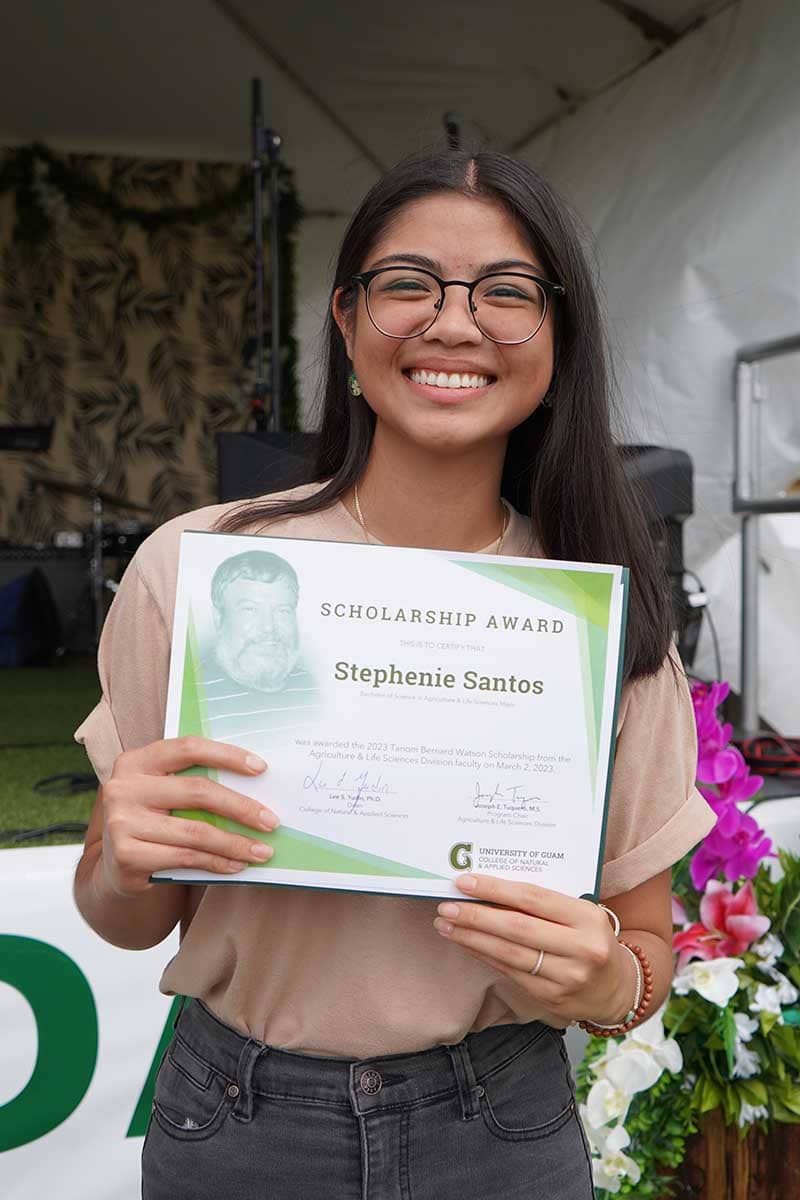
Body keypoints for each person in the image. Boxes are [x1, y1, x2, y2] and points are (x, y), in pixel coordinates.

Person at [73, 149, 716, 1200]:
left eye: (506, 294)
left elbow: (642, 954)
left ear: (558, 334)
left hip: (498, 1131)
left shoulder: (601, 618)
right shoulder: (196, 569)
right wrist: (119, 861)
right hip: (239, 1125)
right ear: (343, 315)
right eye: (406, 285)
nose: (452, 325)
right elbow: (128, 916)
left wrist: (605, 976)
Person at [199, 550, 319, 743]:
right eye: (250, 610)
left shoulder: (313, 689)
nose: (268, 628)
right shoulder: (193, 694)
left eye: (282, 611)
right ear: (218, 617)